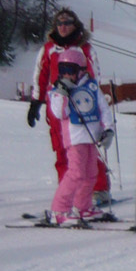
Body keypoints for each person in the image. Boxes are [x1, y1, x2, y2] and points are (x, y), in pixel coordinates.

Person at [30, 8, 112, 205]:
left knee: (88, 146)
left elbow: (94, 74)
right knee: (61, 149)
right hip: (57, 103)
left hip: (83, 104)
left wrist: (89, 94)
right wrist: (36, 101)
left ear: (75, 26)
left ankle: (98, 189)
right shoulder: (49, 49)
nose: (63, 27)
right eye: (60, 24)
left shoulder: (85, 49)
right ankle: (66, 191)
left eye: (67, 23)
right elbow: (40, 75)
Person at [46, 47, 114, 225]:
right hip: (75, 138)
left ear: (81, 70)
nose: (66, 76)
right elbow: (60, 113)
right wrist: (62, 94)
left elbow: (104, 109)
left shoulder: (91, 87)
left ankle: (83, 207)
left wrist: (108, 129)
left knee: (91, 174)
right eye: (62, 71)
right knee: (76, 173)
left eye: (70, 71)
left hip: (92, 137)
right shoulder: (59, 90)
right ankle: (59, 209)